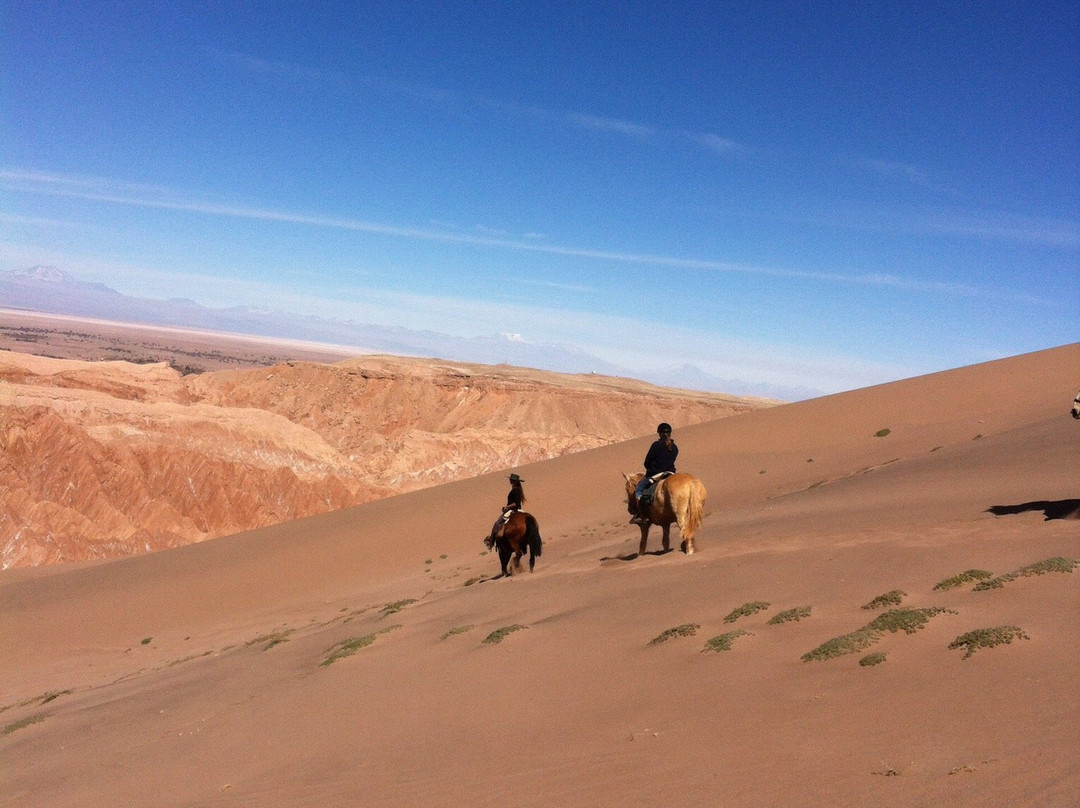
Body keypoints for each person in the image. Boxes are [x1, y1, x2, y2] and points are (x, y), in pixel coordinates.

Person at [630, 423, 677, 524]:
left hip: (656, 474)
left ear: (659, 434)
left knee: (639, 489)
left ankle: (641, 515)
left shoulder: (656, 445)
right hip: (670, 473)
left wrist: (650, 469)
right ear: (670, 433)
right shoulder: (675, 447)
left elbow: (647, 461)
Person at [487, 473, 526, 549]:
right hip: (518, 510)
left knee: (497, 523)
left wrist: (507, 507)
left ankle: (491, 543)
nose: (510, 481)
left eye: (512, 480)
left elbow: (516, 503)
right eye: (511, 479)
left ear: (515, 481)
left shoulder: (515, 490)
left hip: (512, 510)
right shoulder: (518, 489)